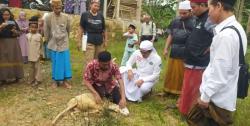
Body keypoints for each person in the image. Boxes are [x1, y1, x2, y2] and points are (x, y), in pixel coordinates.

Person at [187, 0, 247, 125]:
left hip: (215, 99)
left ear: (219, 6)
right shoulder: (238, 28)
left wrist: (205, 97)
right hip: (224, 93)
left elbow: (220, 72)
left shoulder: (225, 36)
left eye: (210, 9)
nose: (208, 13)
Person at [178, 0, 215, 116]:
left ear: (203, 5)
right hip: (191, 59)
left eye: (193, 8)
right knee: (188, 87)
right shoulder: (199, 18)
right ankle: (185, 108)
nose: (192, 10)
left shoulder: (209, 19)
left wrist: (209, 49)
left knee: (194, 89)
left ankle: (191, 113)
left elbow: (219, 36)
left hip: (199, 62)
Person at [163, 0, 195, 95]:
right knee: (171, 72)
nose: (182, 15)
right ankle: (168, 90)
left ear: (190, 11)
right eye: (180, 13)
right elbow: (171, 35)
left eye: (184, 13)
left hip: (186, 52)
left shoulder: (195, 21)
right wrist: (166, 48)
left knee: (182, 73)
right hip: (174, 50)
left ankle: (182, 92)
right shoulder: (175, 21)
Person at [44, 0, 72, 88]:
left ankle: (64, 81)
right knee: (55, 62)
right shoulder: (48, 17)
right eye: (56, 8)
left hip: (64, 43)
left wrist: (66, 39)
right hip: (53, 44)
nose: (59, 10)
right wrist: (47, 41)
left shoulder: (66, 17)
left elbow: (68, 29)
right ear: (52, 8)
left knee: (64, 62)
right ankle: (55, 81)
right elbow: (46, 30)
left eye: (60, 8)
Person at [79, 0, 107, 67]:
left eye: (98, 6)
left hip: (99, 42)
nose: (96, 8)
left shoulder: (101, 15)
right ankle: (87, 76)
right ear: (90, 5)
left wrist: (105, 41)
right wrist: (79, 41)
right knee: (89, 62)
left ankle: (95, 76)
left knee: (98, 61)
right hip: (89, 41)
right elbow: (81, 28)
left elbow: (104, 29)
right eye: (95, 6)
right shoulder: (85, 14)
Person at [0, 8, 24, 84]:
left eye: (8, 14)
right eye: (4, 15)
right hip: (2, 43)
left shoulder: (13, 22)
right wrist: (1, 27)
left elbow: (19, 33)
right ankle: (3, 78)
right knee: (4, 59)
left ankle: (15, 76)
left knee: (13, 58)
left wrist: (14, 31)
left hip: (13, 43)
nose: (6, 16)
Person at [26, 16, 43, 86]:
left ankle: (37, 79)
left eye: (35, 27)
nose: (33, 29)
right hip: (30, 54)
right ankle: (31, 79)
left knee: (37, 68)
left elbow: (41, 46)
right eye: (32, 27)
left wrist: (41, 54)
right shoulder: (27, 36)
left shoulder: (39, 36)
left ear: (37, 28)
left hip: (37, 55)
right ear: (29, 28)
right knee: (30, 68)